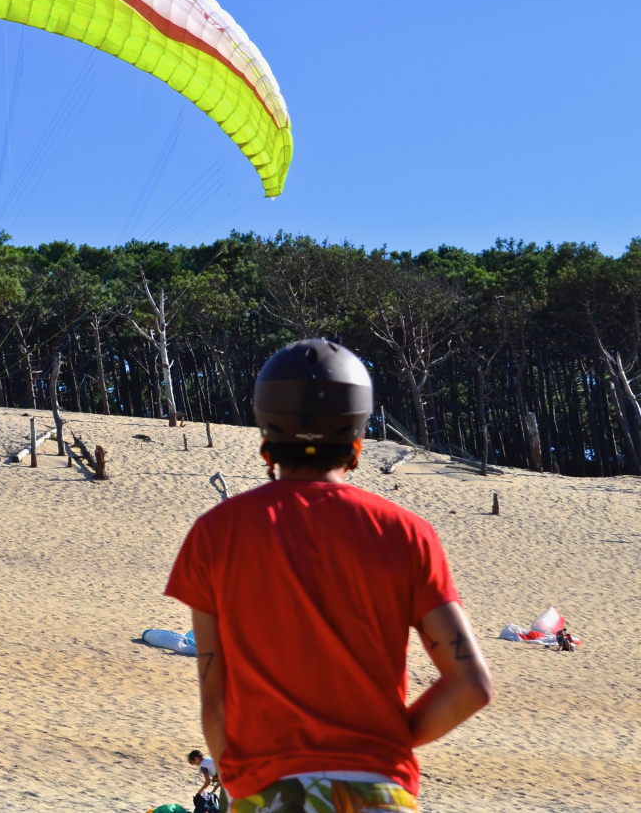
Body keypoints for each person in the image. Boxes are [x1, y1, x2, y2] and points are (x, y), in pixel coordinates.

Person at [165, 339, 493, 813]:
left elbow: (214, 701)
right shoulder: (406, 533)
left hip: (267, 789)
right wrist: (389, 741)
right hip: (380, 792)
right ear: (357, 439)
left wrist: (241, 784)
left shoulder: (217, 533)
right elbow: (471, 686)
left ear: (265, 440)